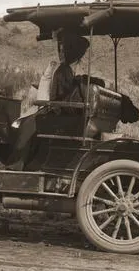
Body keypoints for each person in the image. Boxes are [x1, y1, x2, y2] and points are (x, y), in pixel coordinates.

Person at [6, 30, 90, 169]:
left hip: (57, 112)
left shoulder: (64, 70)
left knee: (28, 126)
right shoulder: (64, 69)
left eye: (64, 51)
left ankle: (18, 164)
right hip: (57, 109)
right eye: (60, 51)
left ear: (71, 52)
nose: (61, 54)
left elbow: (61, 94)